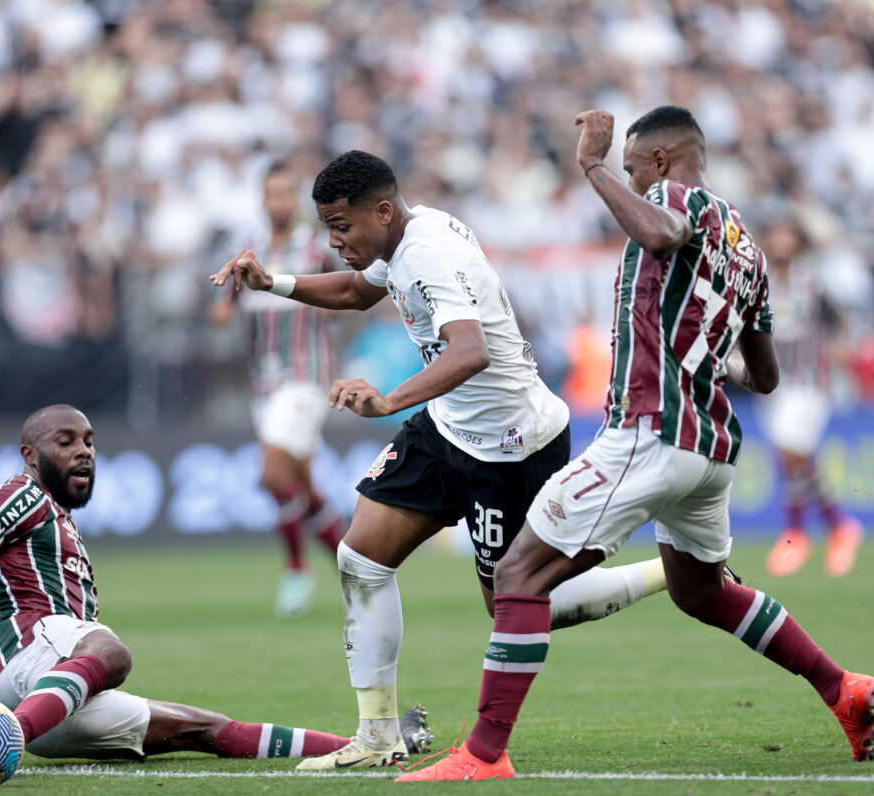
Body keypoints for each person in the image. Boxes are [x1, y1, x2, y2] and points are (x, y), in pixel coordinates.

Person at [395, 106, 874, 783]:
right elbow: (764, 376)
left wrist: (591, 166)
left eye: (631, 170)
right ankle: (846, 690)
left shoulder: (678, 199)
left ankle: (482, 753)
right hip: (708, 449)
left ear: (660, 161)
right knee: (702, 593)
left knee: (518, 575)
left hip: (650, 432)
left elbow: (662, 229)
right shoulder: (751, 250)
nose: (628, 184)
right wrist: (705, 349)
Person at [210, 150, 670, 771]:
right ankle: (376, 735)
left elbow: (471, 351)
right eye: (327, 228)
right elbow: (351, 291)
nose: (335, 241)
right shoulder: (399, 239)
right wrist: (277, 284)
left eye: (341, 226)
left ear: (380, 211)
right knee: (361, 556)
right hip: (448, 427)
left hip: (511, 445)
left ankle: (670, 571)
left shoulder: (428, 251)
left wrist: (389, 401)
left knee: (516, 601)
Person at [0, 404, 431, 763]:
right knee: (108, 648)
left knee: (206, 730)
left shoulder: (56, 530)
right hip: (39, 669)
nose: (84, 452)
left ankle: (375, 746)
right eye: (66, 442)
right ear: (30, 456)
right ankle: (5, 735)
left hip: (48, 706)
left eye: (90, 442)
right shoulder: (19, 495)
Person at [210, 161, 346, 619]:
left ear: (297, 201)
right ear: (263, 201)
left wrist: (332, 309)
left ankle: (296, 568)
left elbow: (350, 289)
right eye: (272, 194)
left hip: (305, 377)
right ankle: (352, 566)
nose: (279, 202)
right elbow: (225, 304)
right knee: (303, 486)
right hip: (264, 383)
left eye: (287, 193)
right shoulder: (251, 251)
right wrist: (224, 306)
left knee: (272, 475)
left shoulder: (316, 248)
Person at [757, 219, 862, 578]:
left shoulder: (811, 284)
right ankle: (837, 527)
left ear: (797, 242)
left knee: (791, 453)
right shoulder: (762, 284)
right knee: (792, 461)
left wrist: (841, 347)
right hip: (773, 387)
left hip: (809, 384)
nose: (782, 241)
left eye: (788, 235)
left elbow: (840, 319)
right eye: (776, 234)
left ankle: (797, 534)